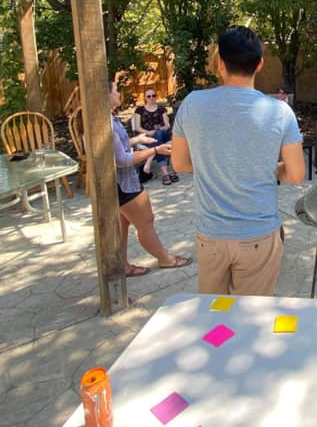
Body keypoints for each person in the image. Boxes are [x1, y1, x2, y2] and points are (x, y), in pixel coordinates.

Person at [171, 26, 305, 295]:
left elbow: (180, 164)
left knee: (213, 315)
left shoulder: (192, 103)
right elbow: (295, 174)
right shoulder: (280, 111)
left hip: (211, 236)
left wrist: (216, 165)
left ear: (220, 63)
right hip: (259, 235)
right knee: (252, 316)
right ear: (260, 64)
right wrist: (265, 168)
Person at [110, 81, 191, 277]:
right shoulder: (107, 125)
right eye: (115, 90)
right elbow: (121, 159)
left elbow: (117, 148)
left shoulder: (108, 119)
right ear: (105, 95)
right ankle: (165, 259)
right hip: (124, 184)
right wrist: (155, 150)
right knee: (145, 222)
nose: (118, 93)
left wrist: (137, 140)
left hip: (117, 183)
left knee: (122, 224)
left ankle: (122, 265)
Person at [133, 88, 178, 186]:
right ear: (145, 98)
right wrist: (148, 132)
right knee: (157, 139)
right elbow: (137, 127)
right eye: (149, 96)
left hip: (163, 134)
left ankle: (149, 161)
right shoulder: (139, 110)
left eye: (153, 95)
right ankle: (166, 174)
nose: (151, 98)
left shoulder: (161, 109)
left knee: (158, 134)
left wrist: (159, 129)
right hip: (146, 136)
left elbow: (167, 125)